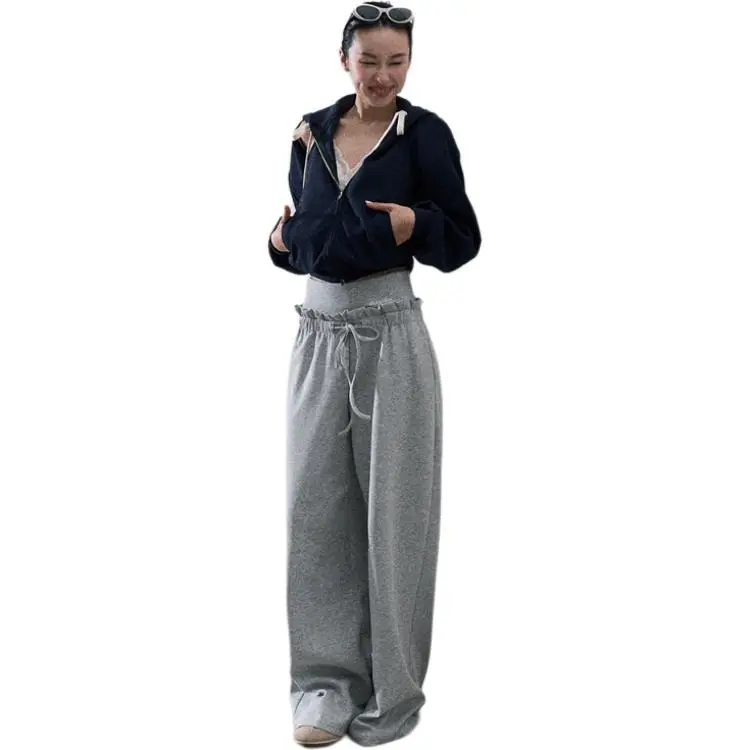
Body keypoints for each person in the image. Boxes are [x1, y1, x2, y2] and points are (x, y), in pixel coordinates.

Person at [268, 3, 481, 746]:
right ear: (344, 61)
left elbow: (463, 240)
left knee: (395, 518)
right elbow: (309, 235)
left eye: (398, 61)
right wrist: (277, 244)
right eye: (370, 61)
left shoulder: (426, 135)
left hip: (391, 335)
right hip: (317, 335)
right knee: (314, 513)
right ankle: (324, 687)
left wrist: (416, 226)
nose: (384, 75)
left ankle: (392, 693)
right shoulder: (311, 132)